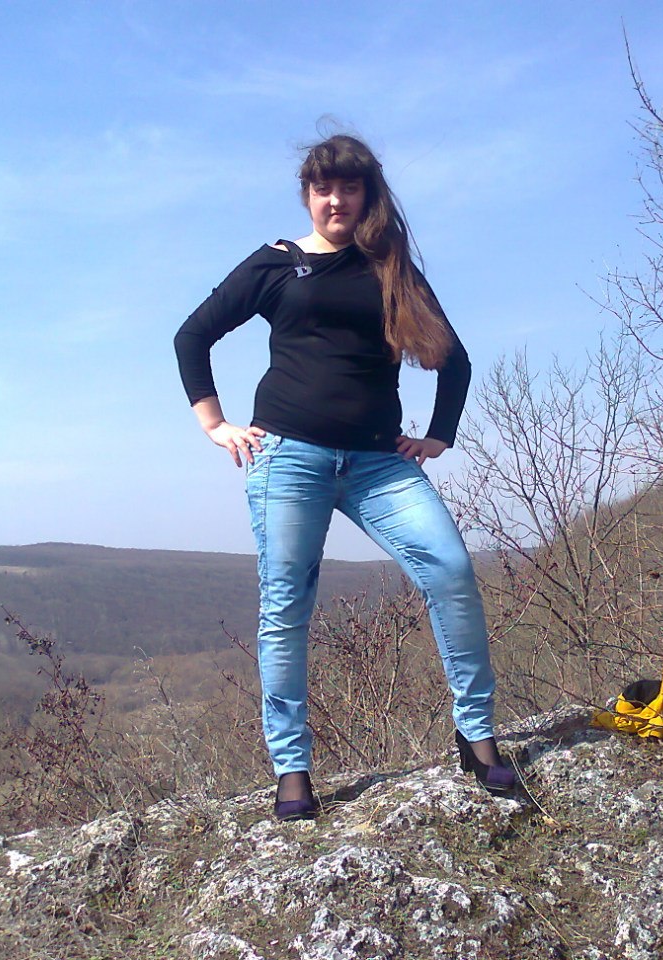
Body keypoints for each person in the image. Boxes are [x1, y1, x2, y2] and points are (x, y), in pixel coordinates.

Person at [174, 133, 514, 820]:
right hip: (287, 457)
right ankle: (291, 769)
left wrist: (439, 435)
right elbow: (193, 335)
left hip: (379, 464)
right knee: (286, 608)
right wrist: (215, 424)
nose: (336, 200)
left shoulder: (390, 269)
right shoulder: (277, 264)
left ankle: (476, 736)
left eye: (349, 188)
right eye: (323, 188)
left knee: (451, 570)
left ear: (367, 195)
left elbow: (453, 358)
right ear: (307, 195)